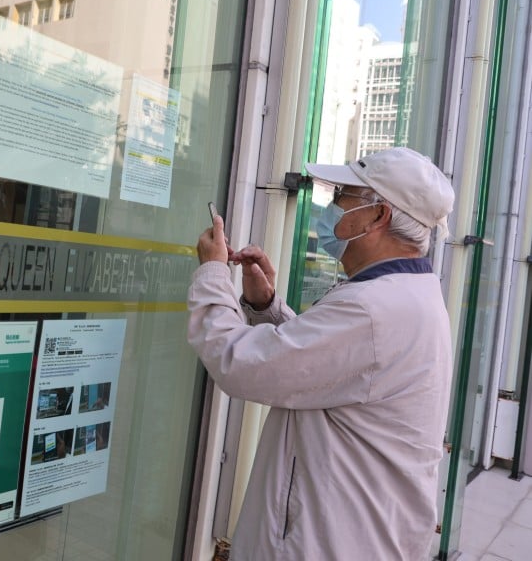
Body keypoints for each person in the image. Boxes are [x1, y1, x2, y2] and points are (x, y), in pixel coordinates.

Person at [187, 147, 455, 560]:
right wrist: (267, 307)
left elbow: (237, 364)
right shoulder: (404, 297)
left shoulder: (373, 310)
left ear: (378, 215)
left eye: (341, 197)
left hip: (326, 543)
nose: (330, 209)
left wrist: (212, 272)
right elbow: (335, 369)